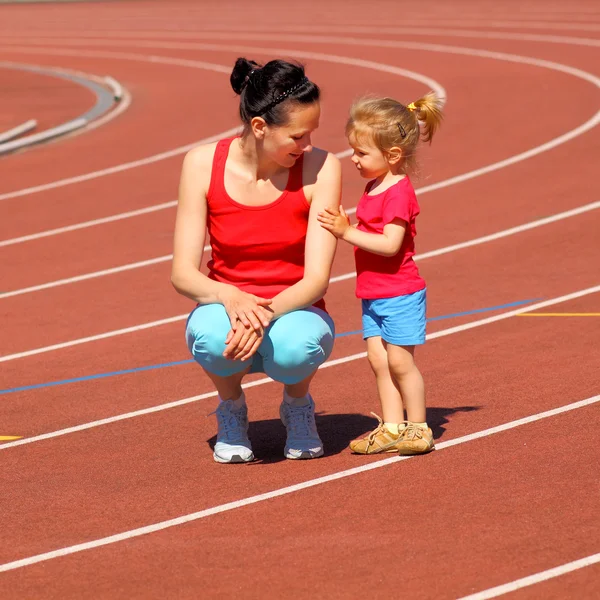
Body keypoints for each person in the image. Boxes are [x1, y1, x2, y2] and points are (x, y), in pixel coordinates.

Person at [171, 58, 341, 464]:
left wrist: (259, 315)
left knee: (296, 348)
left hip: (297, 305)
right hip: (226, 303)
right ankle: (231, 407)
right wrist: (230, 298)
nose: (308, 146)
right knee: (211, 339)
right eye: (298, 136)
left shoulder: (322, 168)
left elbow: (317, 279)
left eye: (312, 134)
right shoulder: (200, 164)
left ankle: (297, 405)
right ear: (260, 127)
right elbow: (181, 273)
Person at [317, 93, 443, 455]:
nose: (353, 159)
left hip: (400, 292)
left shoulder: (399, 192)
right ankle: (390, 426)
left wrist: (345, 231)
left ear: (392, 156)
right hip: (373, 293)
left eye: (361, 153)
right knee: (378, 360)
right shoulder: (373, 187)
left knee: (401, 360)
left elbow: (390, 245)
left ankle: (418, 428)